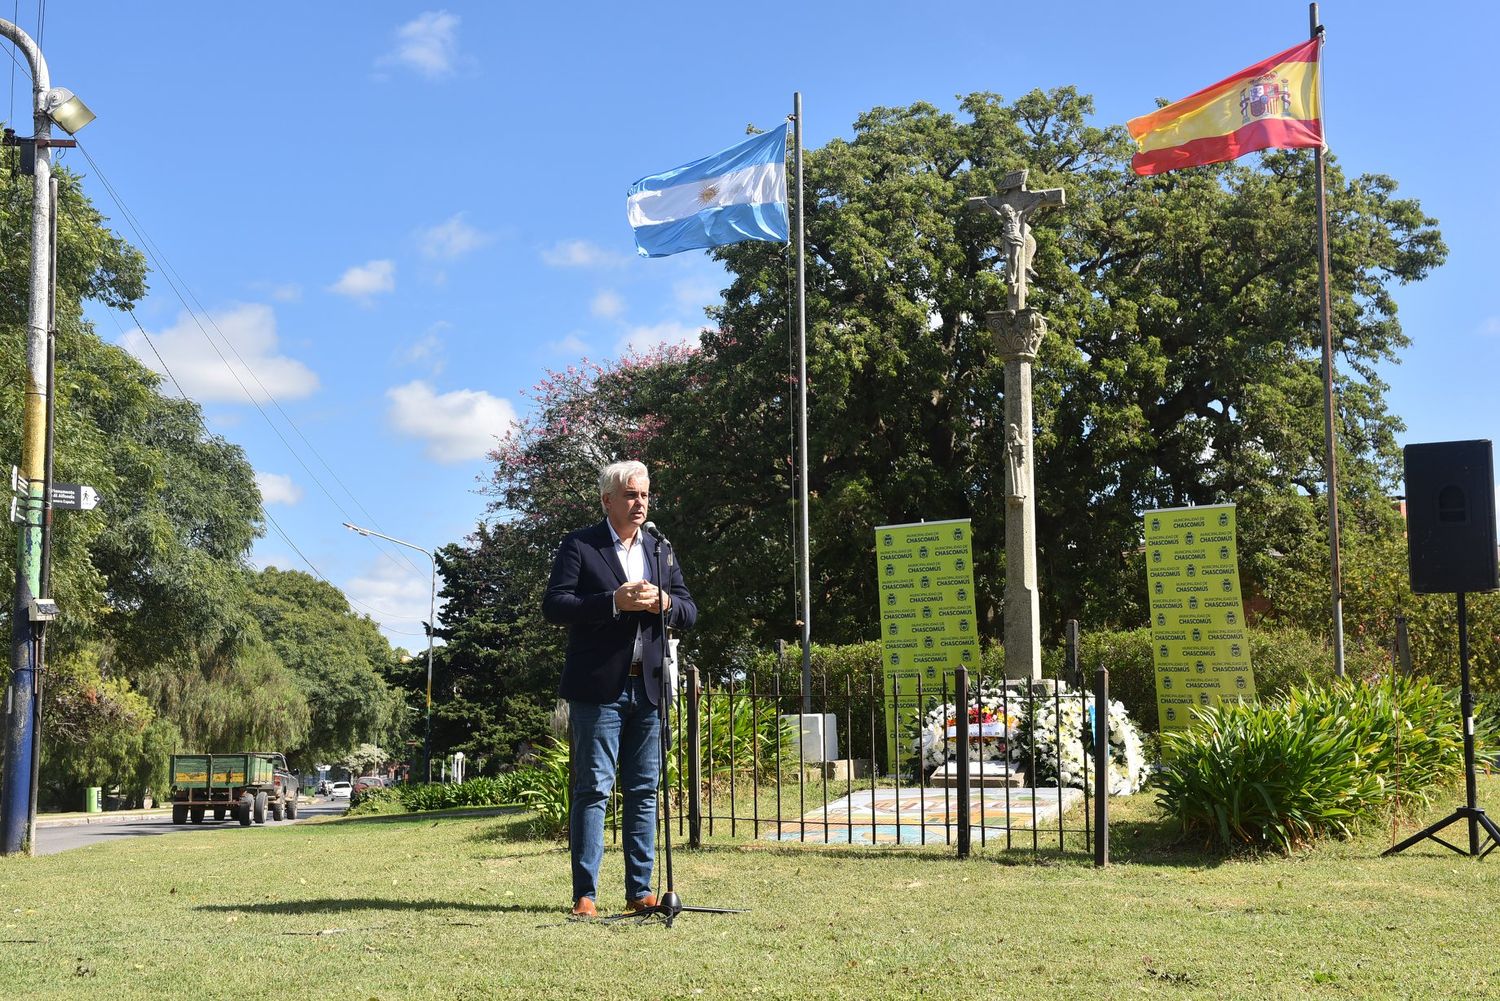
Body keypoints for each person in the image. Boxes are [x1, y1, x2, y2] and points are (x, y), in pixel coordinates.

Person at [542, 459, 697, 918]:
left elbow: (689, 610)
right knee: (593, 789)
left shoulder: (659, 548)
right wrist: (612, 601)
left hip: (649, 687)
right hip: (599, 689)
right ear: (607, 500)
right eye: (631, 495)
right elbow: (555, 605)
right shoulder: (580, 545)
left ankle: (640, 891)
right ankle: (585, 895)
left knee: (644, 790)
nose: (640, 502)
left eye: (645, 495)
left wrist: (664, 602)